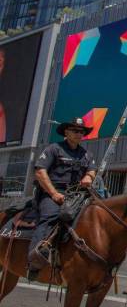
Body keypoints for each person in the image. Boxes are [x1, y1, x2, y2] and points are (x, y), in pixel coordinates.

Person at [27, 117, 97, 280]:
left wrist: (88, 177)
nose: (79, 134)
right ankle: (35, 261)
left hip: (77, 195)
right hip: (53, 193)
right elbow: (40, 171)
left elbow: (92, 170)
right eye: (75, 131)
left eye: (82, 131)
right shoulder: (54, 149)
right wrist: (53, 193)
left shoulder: (86, 154)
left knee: (95, 216)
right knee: (50, 217)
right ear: (66, 132)